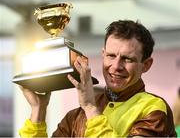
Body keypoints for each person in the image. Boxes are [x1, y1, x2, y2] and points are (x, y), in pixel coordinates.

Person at [19, 20, 176, 137]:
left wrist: (90, 107)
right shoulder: (76, 116)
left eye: (127, 59)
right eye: (111, 55)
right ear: (103, 55)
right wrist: (38, 110)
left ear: (146, 65)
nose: (116, 66)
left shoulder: (154, 109)